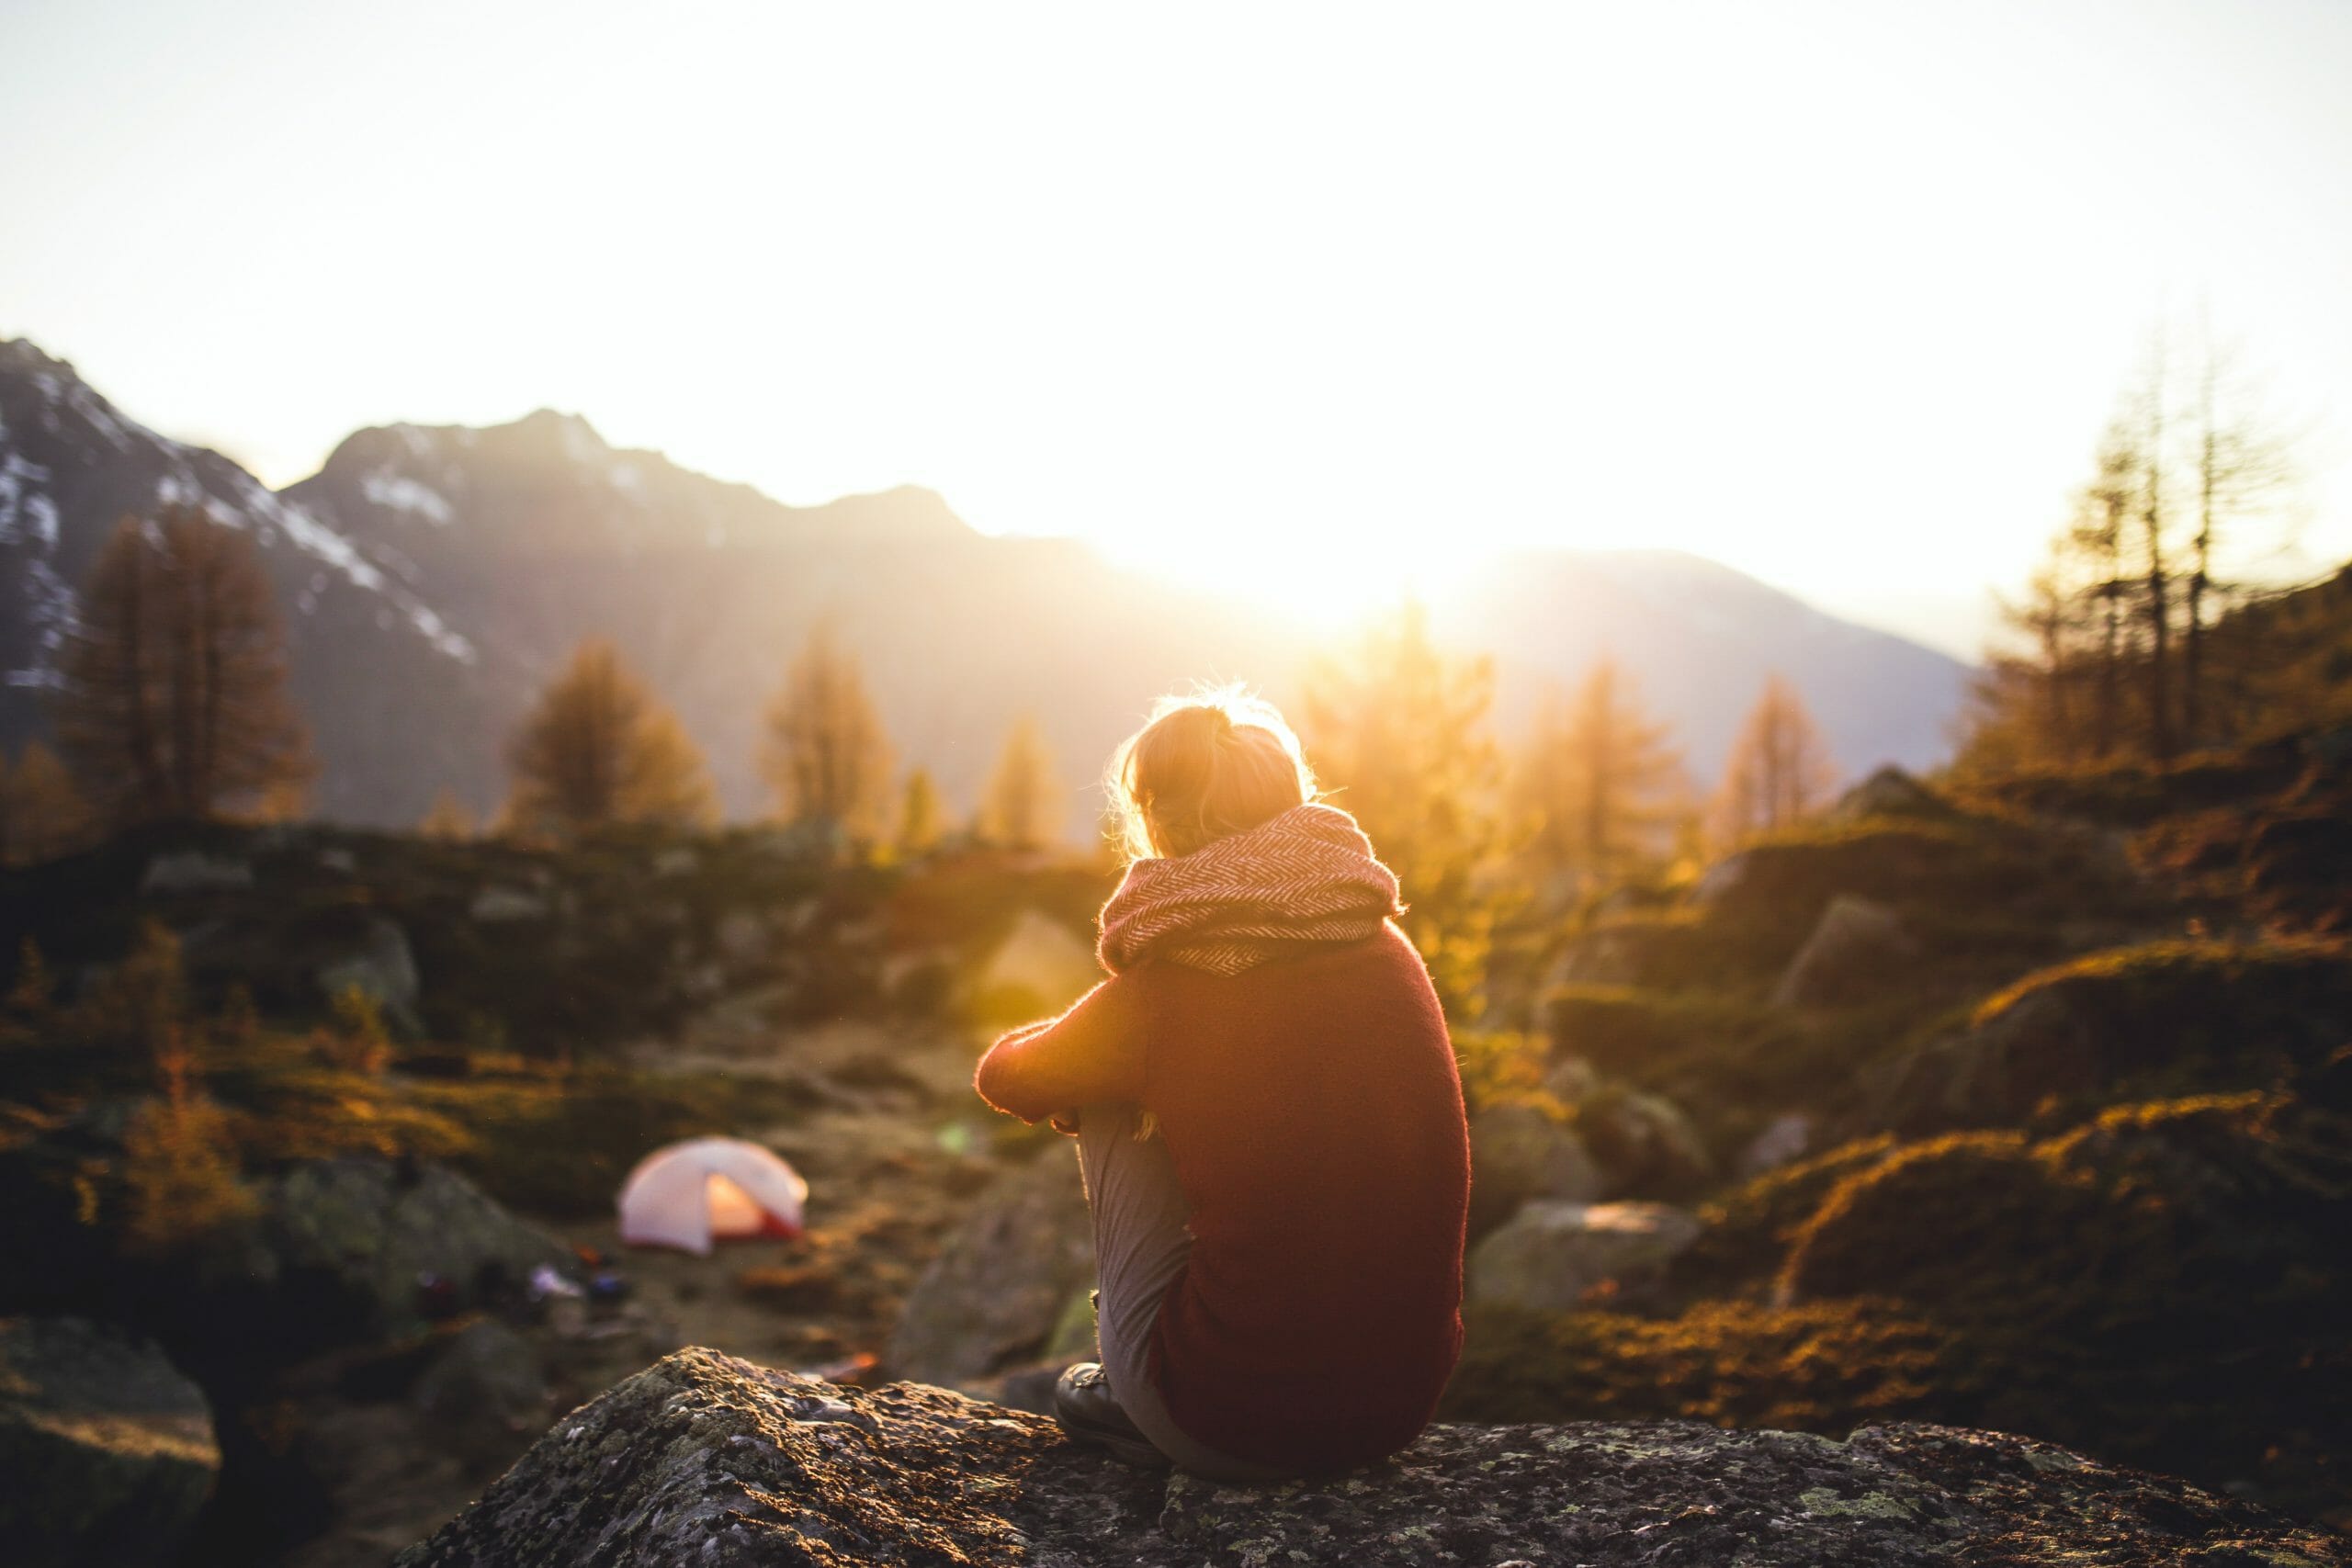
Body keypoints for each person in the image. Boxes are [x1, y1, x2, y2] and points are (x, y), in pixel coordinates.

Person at [972, 686, 1471, 1479]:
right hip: (1397, 1410)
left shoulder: (1167, 987)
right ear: (1291, 800)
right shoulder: (1385, 945)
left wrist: (1108, 1054)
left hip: (1225, 1423)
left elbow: (1008, 1077)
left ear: (1159, 823)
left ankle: (1135, 1381)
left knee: (1103, 1086)